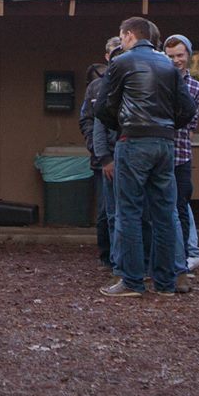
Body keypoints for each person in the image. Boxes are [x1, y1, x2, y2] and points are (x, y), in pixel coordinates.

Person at [95, 16, 196, 299]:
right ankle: (165, 283)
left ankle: (132, 281)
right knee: (165, 212)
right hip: (165, 144)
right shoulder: (168, 64)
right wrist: (165, 125)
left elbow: (103, 107)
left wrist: (123, 125)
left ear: (128, 36)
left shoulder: (121, 63)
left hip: (132, 141)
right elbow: (187, 109)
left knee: (129, 212)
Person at [163, 33, 199, 274]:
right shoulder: (158, 79)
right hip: (159, 152)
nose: (176, 60)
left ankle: (185, 258)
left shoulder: (195, 86)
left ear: (188, 55)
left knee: (181, 205)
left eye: (180, 55)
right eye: (170, 56)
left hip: (181, 154)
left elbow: (191, 123)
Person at [82, 37, 124, 273]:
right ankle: (108, 257)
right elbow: (87, 120)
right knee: (106, 212)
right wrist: (97, 148)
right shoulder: (96, 88)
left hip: (130, 155)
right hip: (103, 158)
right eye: (111, 53)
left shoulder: (135, 82)